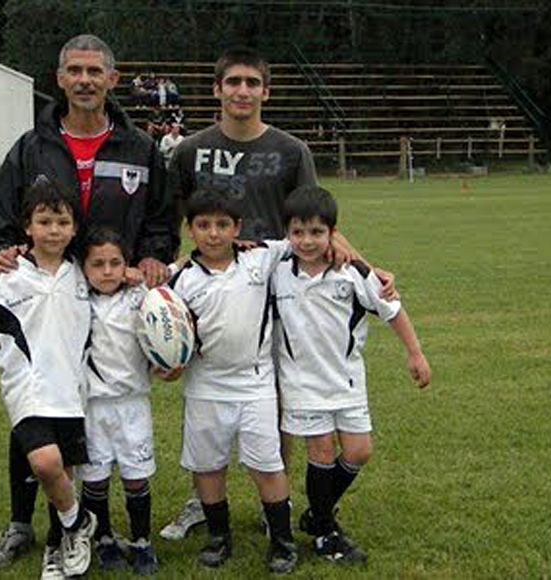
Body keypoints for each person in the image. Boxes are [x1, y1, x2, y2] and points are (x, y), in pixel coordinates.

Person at [161, 45, 395, 540]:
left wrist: (368, 269)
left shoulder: (291, 151)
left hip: (281, 289)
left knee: (276, 402)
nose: (242, 91)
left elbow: (319, 224)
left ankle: (278, 509)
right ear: (217, 89)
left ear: (266, 91)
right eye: (233, 82)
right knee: (205, 396)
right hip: (215, 286)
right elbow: (171, 220)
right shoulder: (189, 150)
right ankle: (200, 500)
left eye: (252, 82)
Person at [0, 33, 178, 573]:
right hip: (44, 297)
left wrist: (155, 257)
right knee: (32, 406)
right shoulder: (31, 147)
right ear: (59, 78)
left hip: (111, 298)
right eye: (75, 71)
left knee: (88, 416)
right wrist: (0, 252)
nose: (85, 80)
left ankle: (89, 531)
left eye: (96, 71)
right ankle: (23, 525)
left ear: (113, 79)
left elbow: (162, 218)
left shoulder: (140, 148)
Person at [271, 184, 431, 564]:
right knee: (321, 452)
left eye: (316, 232)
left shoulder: (353, 272)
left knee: (359, 451)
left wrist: (415, 353)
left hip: (346, 379)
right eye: (297, 232)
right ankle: (326, 533)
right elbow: (239, 249)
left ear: (333, 232)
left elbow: (392, 309)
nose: (306, 241)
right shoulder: (276, 269)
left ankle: (317, 513)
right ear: (286, 233)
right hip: (301, 383)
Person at [0, 179, 98, 579]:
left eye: (62, 222)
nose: (54, 230)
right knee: (44, 463)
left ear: (74, 228)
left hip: (71, 389)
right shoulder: (8, 274)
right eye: (44, 221)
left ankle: (60, 546)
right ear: (27, 227)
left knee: (63, 473)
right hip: (26, 387)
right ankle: (80, 524)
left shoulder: (83, 271)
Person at [166, 188, 298, 574]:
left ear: (237, 227)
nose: (213, 234)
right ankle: (218, 537)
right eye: (203, 225)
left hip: (256, 384)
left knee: (267, 465)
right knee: (208, 467)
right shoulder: (179, 279)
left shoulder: (260, 257)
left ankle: (282, 540)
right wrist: (166, 362)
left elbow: (310, 239)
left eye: (223, 225)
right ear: (190, 229)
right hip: (205, 386)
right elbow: (159, 328)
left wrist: (359, 262)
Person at [77, 228, 158, 575]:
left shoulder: (139, 297)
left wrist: (142, 278)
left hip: (133, 403)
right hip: (91, 405)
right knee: (94, 480)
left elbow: (165, 317)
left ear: (127, 265)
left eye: (115, 263)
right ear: (83, 268)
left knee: (135, 478)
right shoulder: (76, 298)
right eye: (97, 264)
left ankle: (142, 542)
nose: (107, 271)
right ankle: (104, 540)